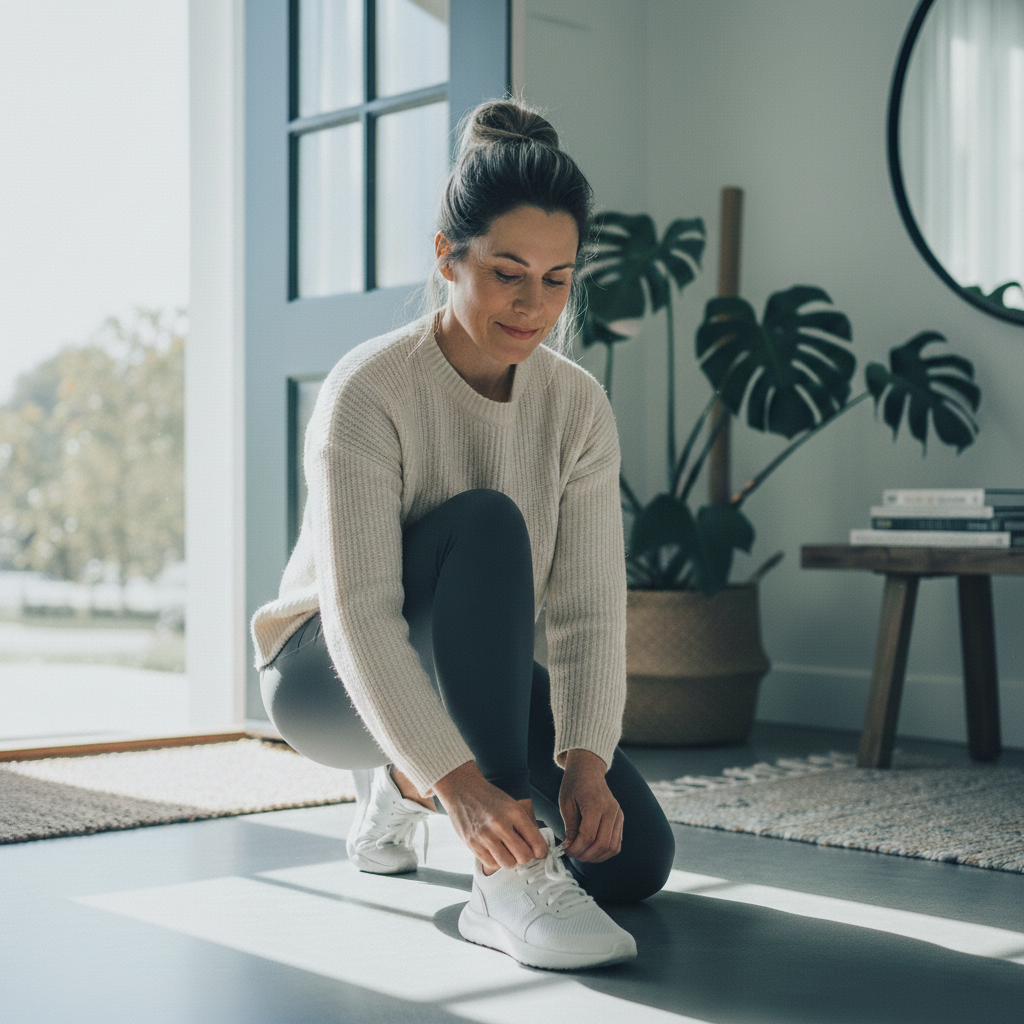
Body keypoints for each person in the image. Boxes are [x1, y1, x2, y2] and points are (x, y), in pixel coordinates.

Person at [251, 99, 675, 971]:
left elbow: (590, 609)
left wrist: (586, 761)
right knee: (485, 520)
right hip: (322, 670)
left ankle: (408, 785)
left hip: (467, 665)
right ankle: (497, 882)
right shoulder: (368, 389)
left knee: (632, 862)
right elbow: (362, 616)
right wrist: (466, 787)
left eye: (557, 280)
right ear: (448, 257)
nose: (533, 306)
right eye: (507, 273)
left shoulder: (576, 405)